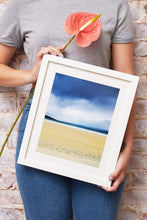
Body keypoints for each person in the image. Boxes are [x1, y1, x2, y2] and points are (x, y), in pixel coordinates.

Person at [0, 0, 136, 219]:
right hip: (40, 123)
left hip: (101, 125)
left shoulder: (114, 4)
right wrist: (30, 75)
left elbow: (128, 83)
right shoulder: (22, 4)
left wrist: (126, 148)